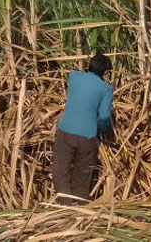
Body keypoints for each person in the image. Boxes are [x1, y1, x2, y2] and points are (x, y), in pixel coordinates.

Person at [53, 53, 114, 205]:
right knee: (83, 172)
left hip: (66, 131)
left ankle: (65, 205)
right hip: (87, 136)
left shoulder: (74, 76)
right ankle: (81, 206)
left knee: (61, 169)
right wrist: (102, 131)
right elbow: (104, 118)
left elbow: (75, 75)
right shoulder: (106, 89)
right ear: (106, 72)